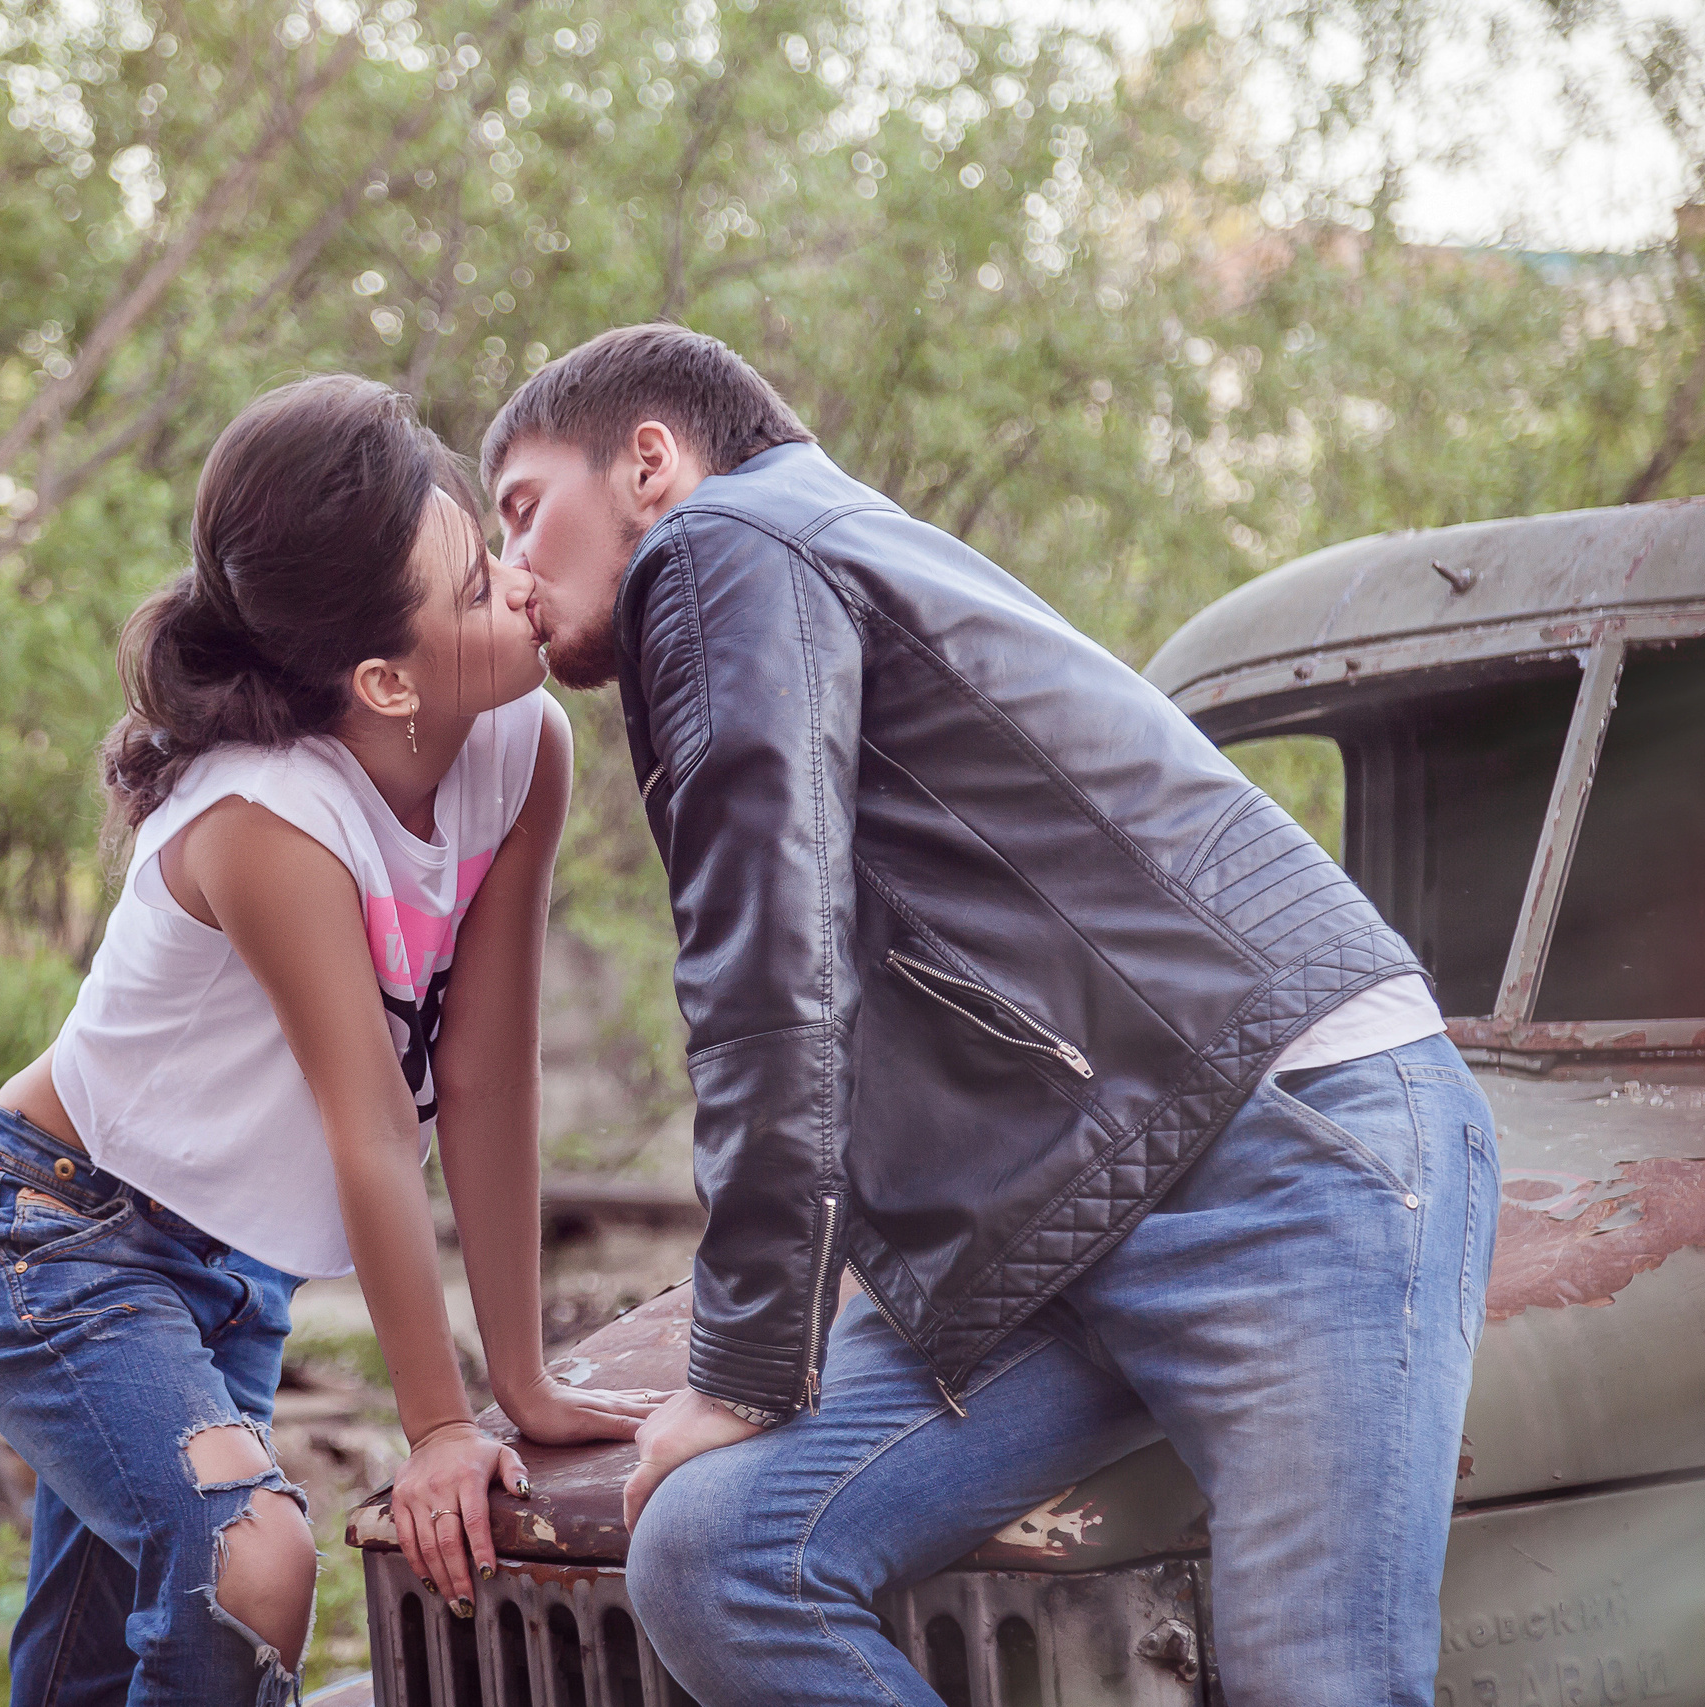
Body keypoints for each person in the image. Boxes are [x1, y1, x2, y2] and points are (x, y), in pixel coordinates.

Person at [480, 324, 1498, 1707]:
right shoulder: (810, 551)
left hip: (1284, 1149)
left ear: (649, 462)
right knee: (720, 1556)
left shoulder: (726, 546)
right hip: (1061, 1211)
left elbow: (770, 976)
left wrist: (741, 1365)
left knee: (1323, 1685)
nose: (508, 571)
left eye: (526, 511)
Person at [0, 374, 657, 1707]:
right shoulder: (268, 817)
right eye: (477, 590)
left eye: (491, 550)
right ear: (380, 679)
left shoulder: (522, 750)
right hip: (48, 1234)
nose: (522, 586)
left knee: (91, 1668)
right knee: (251, 1563)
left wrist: (523, 1381)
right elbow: (370, 1126)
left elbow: (484, 1076)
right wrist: (436, 1430)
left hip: (228, 1269)